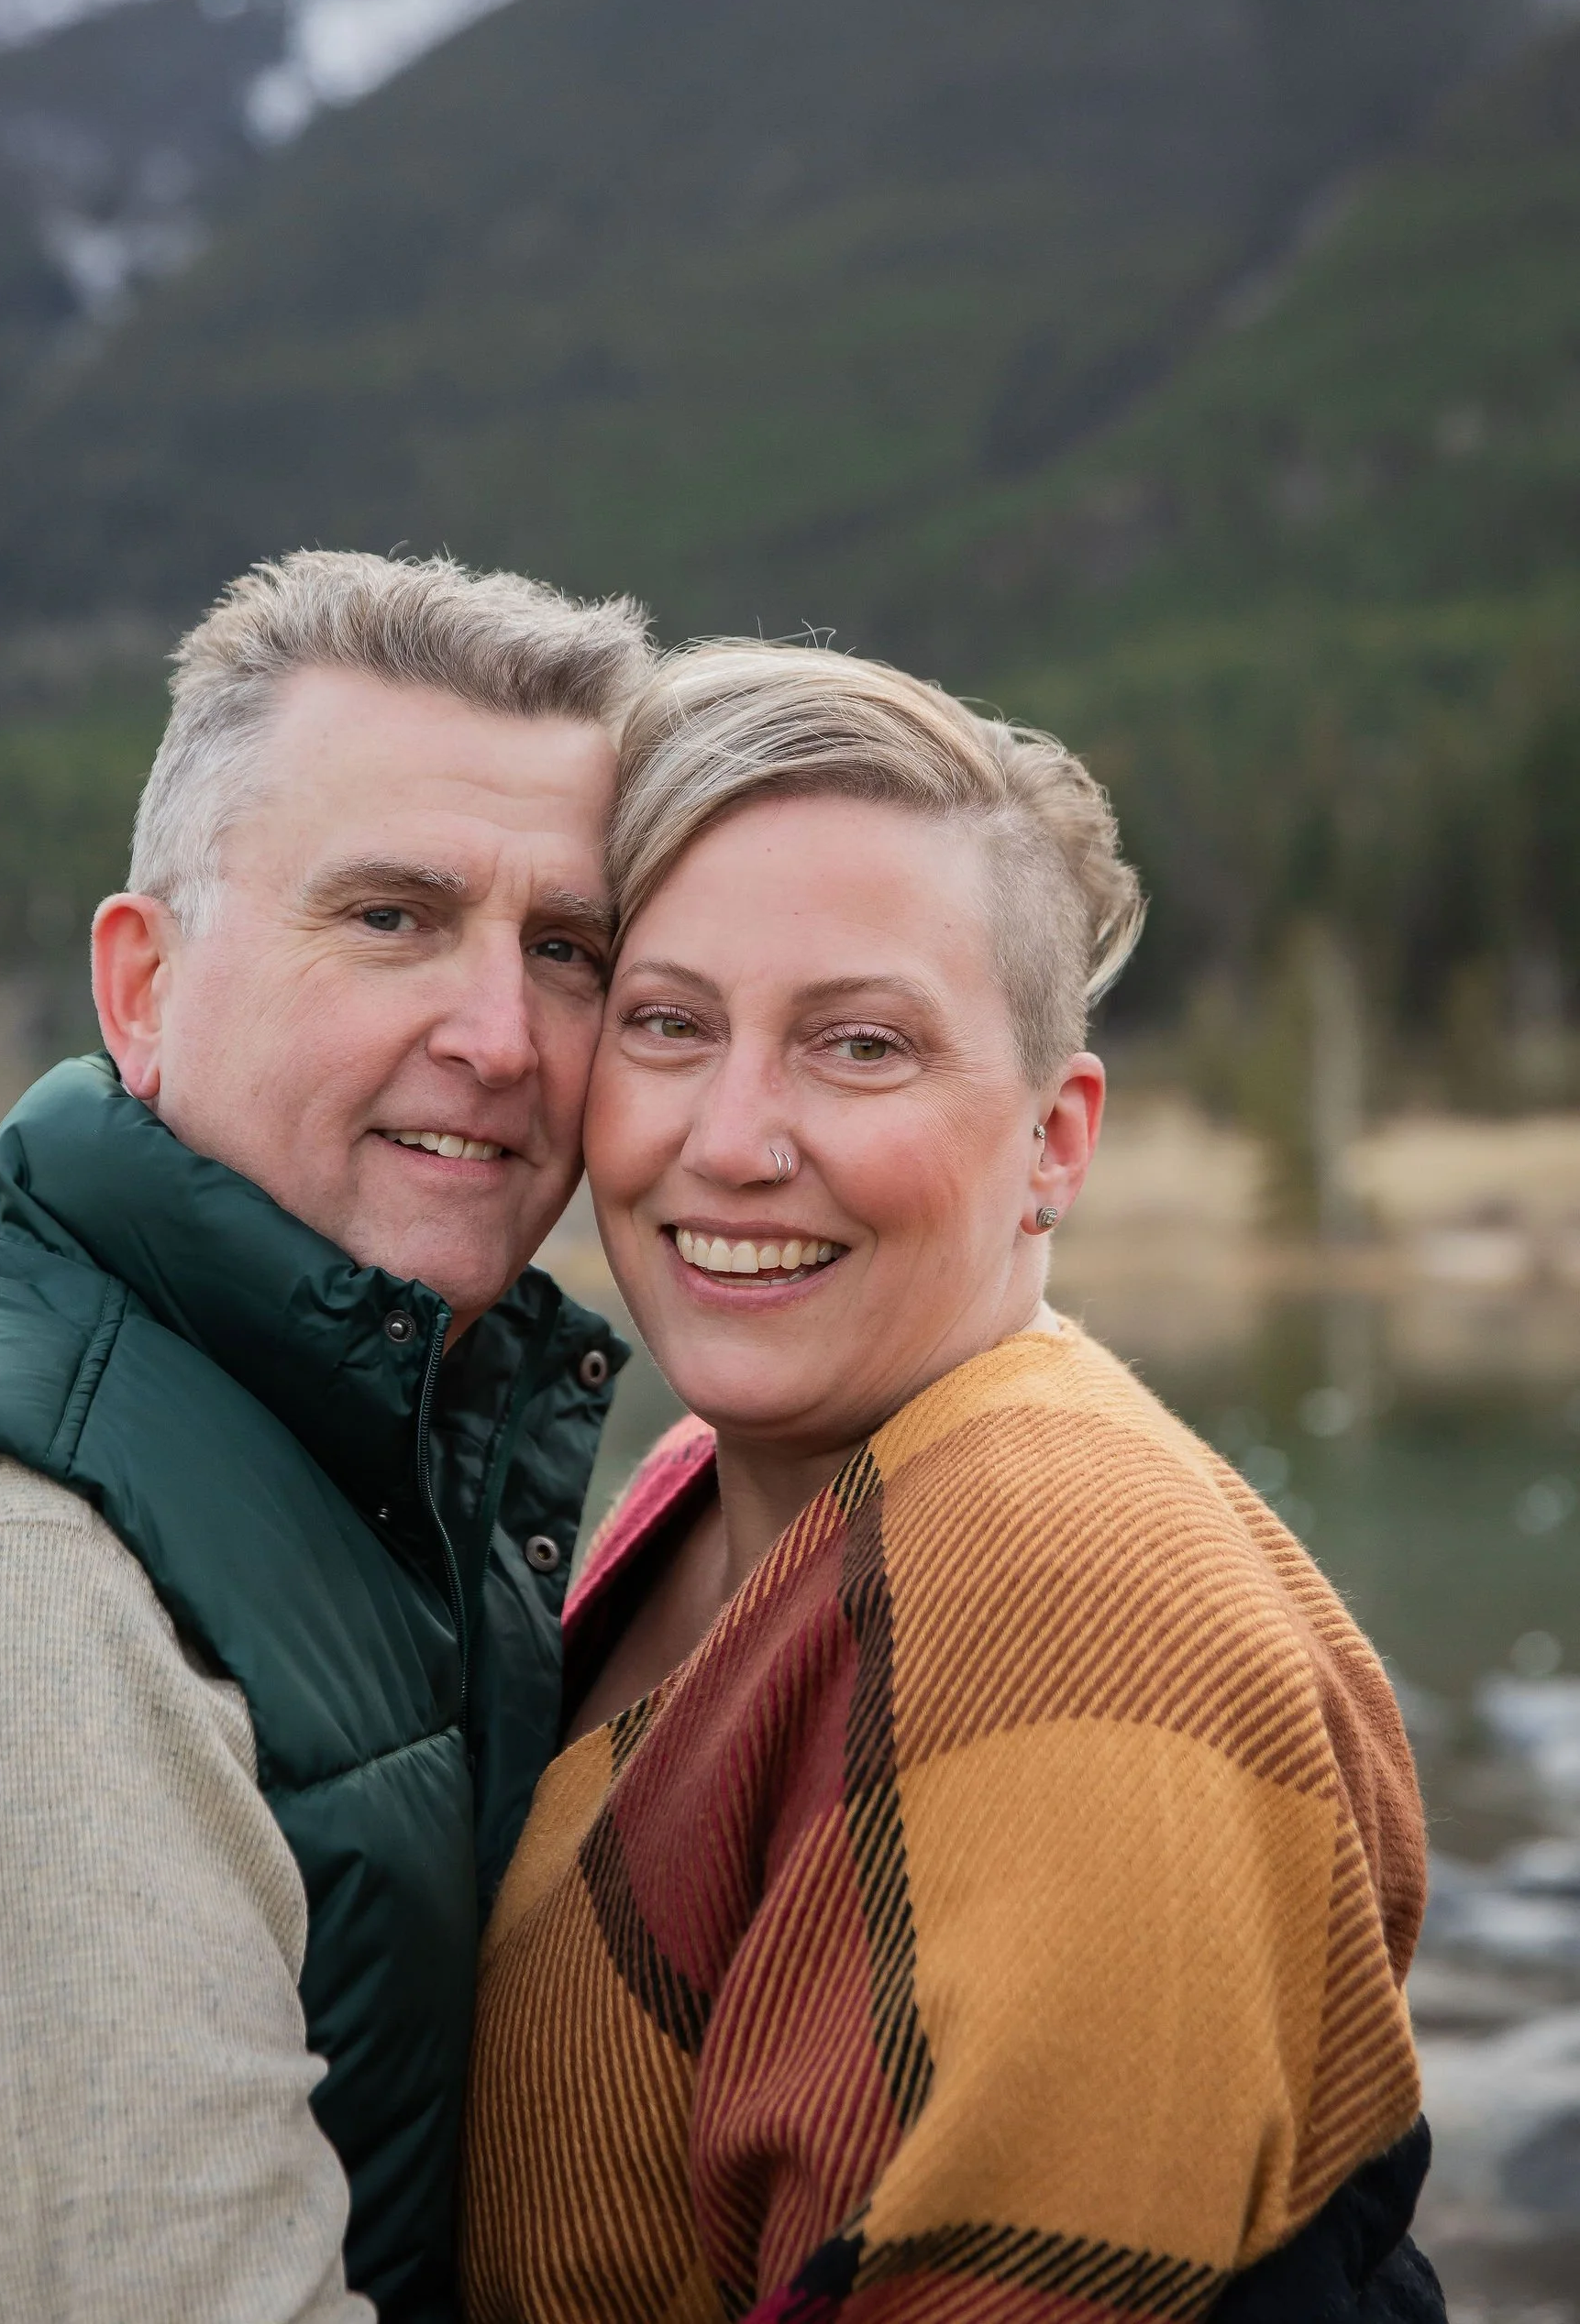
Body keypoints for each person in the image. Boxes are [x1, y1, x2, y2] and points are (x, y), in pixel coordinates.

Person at [0, 548, 653, 2324]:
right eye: (390, 917)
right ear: (139, 986)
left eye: (571, 952)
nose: (500, 1035)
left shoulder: (366, 1443)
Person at [462, 642, 1442, 2324]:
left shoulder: (1066, 1582)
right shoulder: (714, 1487)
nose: (734, 1137)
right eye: (670, 1025)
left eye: (859, 1047)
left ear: (1057, 1139)